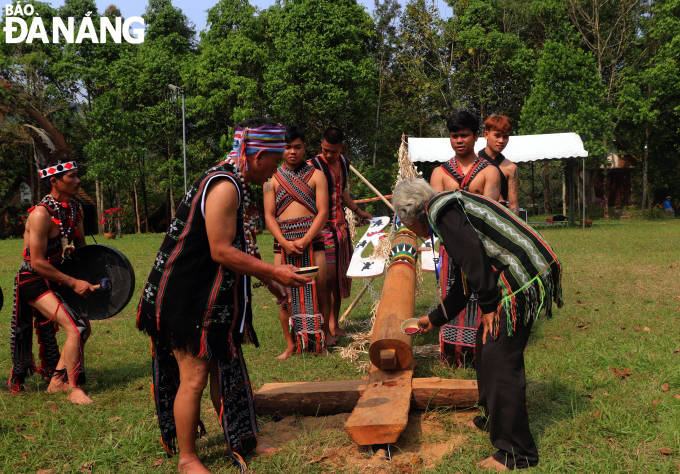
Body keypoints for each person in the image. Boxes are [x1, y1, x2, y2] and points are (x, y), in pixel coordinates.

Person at [136, 118, 310, 474]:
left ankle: (244, 439)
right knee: (196, 376)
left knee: (224, 369)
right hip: (187, 298)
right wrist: (275, 271)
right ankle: (188, 459)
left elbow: (239, 242)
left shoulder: (235, 180)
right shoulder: (225, 186)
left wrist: (269, 281)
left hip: (210, 298)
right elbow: (221, 250)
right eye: (275, 162)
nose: (276, 171)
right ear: (258, 155)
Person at [392, 179, 563, 471]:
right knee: (483, 348)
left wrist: (488, 306)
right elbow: (463, 285)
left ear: (411, 215)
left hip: (520, 276)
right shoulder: (447, 208)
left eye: (406, 224)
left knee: (499, 360)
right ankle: (491, 419)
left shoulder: (442, 212)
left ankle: (516, 453)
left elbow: (473, 257)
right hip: (516, 272)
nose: (414, 233)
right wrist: (431, 319)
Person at [8, 126, 94, 404]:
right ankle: (73, 388)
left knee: (84, 326)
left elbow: (81, 249)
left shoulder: (74, 209)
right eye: (72, 176)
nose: (78, 181)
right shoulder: (40, 216)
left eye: (77, 175)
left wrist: (86, 274)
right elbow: (36, 263)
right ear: (55, 181)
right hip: (33, 278)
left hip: (56, 274)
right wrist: (72, 282)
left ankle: (56, 381)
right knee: (75, 328)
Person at [429, 111, 500, 367]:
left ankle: (480, 354)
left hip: (481, 249)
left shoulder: (489, 172)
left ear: (477, 137)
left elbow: (492, 216)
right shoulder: (439, 174)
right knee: (452, 294)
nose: (459, 140)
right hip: (451, 249)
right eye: (454, 135)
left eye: (464, 135)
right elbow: (435, 216)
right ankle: (451, 355)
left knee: (480, 295)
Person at [264, 125, 333, 359]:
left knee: (321, 293)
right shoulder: (270, 178)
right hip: (282, 243)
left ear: (304, 147)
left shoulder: (317, 175)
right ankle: (291, 345)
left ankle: (320, 342)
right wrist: (284, 242)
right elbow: (269, 216)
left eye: (297, 147)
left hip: (313, 242)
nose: (292, 152)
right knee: (284, 297)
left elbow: (323, 212)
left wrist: (305, 239)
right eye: (286, 147)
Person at [309, 127, 372, 337]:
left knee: (339, 280)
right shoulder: (312, 166)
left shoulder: (344, 163)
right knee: (326, 280)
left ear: (341, 148)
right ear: (321, 144)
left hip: (341, 228)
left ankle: (334, 326)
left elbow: (341, 191)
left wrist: (359, 211)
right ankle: (324, 330)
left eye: (333, 151)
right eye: (326, 149)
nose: (329, 154)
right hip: (321, 230)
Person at [478, 115, 520, 215]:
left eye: (505, 136)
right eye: (497, 135)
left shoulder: (511, 168)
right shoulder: (472, 162)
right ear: (486, 135)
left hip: (497, 221)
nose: (501, 140)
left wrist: (513, 229)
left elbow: (513, 204)